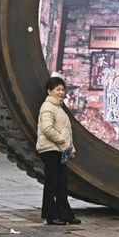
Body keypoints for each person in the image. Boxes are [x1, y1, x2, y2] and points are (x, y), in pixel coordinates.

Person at [36, 76, 81, 226]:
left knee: (62, 183)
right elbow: (47, 129)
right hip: (50, 149)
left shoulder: (59, 108)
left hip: (59, 149)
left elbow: (66, 131)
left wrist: (70, 149)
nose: (61, 92)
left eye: (63, 89)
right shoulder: (47, 107)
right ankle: (51, 215)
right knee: (52, 183)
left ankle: (65, 215)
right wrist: (62, 141)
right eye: (58, 89)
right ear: (49, 91)